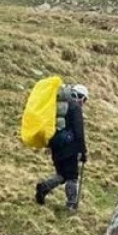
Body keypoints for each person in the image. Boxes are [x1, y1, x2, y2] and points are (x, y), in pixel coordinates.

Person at [35, 84, 89, 212]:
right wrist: (83, 151)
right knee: (72, 176)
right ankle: (71, 205)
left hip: (56, 145)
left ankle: (43, 187)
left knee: (62, 174)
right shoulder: (75, 107)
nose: (84, 103)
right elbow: (79, 132)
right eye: (85, 99)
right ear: (80, 97)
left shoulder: (59, 107)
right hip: (70, 147)